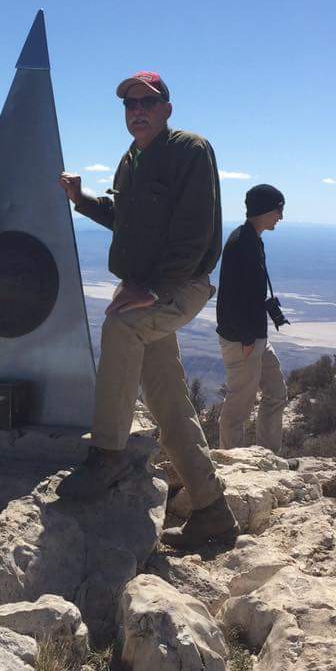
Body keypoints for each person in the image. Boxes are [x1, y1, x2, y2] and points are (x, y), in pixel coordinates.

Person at [57, 71, 239, 550]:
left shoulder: (189, 151)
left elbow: (195, 231)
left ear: (166, 108)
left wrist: (155, 290)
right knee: (167, 398)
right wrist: (82, 201)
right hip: (146, 287)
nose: (136, 109)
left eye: (146, 101)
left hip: (178, 285)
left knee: (121, 326)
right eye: (129, 103)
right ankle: (212, 511)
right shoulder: (131, 159)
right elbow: (124, 218)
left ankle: (106, 454)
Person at [215, 184, 288, 452]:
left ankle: (268, 457)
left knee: (276, 393)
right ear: (266, 209)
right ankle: (230, 462)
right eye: (279, 210)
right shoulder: (241, 244)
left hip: (254, 336)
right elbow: (233, 297)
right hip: (243, 339)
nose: (280, 217)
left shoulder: (250, 239)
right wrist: (246, 337)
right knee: (238, 407)